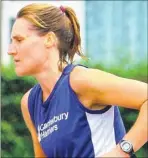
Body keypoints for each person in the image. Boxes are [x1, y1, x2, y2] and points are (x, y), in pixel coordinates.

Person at [8, 3, 147, 158]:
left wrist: (122, 151)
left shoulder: (80, 80)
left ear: (49, 39)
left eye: (19, 40)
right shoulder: (29, 103)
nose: (10, 50)